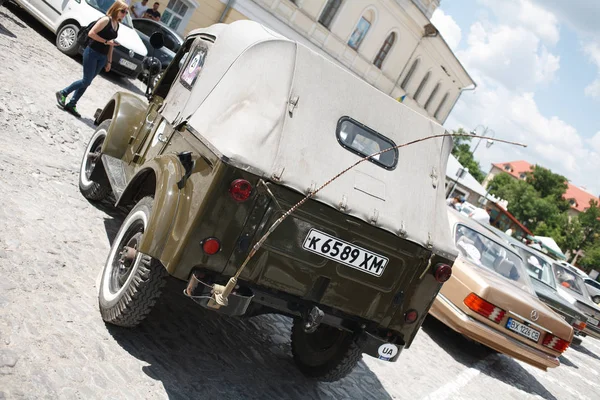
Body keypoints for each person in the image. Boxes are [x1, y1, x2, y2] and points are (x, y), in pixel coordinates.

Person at [55, 1, 128, 118]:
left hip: (102, 57)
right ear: (116, 9)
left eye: (126, 12)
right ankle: (63, 93)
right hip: (92, 52)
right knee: (86, 81)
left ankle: (72, 104)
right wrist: (105, 41)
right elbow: (91, 33)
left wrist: (109, 61)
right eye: (123, 11)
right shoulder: (105, 20)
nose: (125, 14)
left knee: (87, 82)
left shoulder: (117, 25)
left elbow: (111, 45)